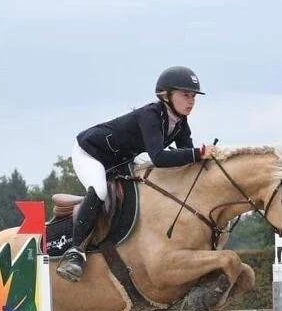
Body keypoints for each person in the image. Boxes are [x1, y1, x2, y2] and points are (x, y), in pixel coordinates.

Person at [56, 65, 220, 282]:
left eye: (193, 97)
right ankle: (75, 252)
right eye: (185, 95)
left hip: (120, 160)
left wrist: (208, 160)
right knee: (100, 190)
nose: (191, 101)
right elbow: (160, 157)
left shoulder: (180, 123)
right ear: (166, 95)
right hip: (91, 153)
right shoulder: (151, 115)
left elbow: (186, 158)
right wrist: (198, 153)